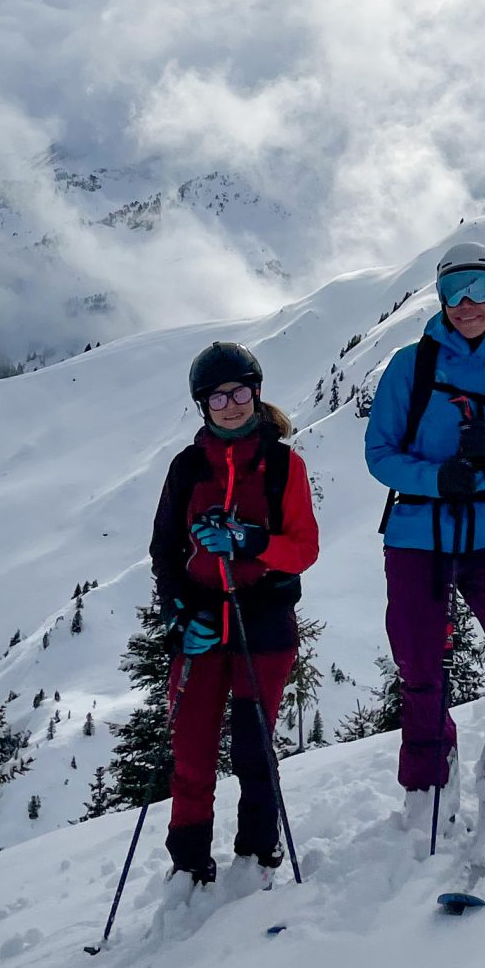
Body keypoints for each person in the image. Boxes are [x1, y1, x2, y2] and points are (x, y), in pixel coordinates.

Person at [363, 239, 485, 863]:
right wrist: (436, 478)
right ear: (438, 297)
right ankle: (427, 786)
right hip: (417, 534)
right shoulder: (408, 367)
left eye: (477, 288)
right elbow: (380, 454)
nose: (466, 303)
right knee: (420, 667)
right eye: (452, 290)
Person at [149, 341, 319, 883]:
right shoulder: (187, 468)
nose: (231, 404)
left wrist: (252, 541)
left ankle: (258, 851)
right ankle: (189, 863)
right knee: (192, 752)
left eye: (240, 391)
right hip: (199, 624)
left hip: (263, 622)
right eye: (218, 396)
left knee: (253, 746)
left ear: (257, 393)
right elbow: (165, 552)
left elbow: (304, 549)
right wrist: (177, 616)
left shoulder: (283, 466)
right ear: (202, 405)